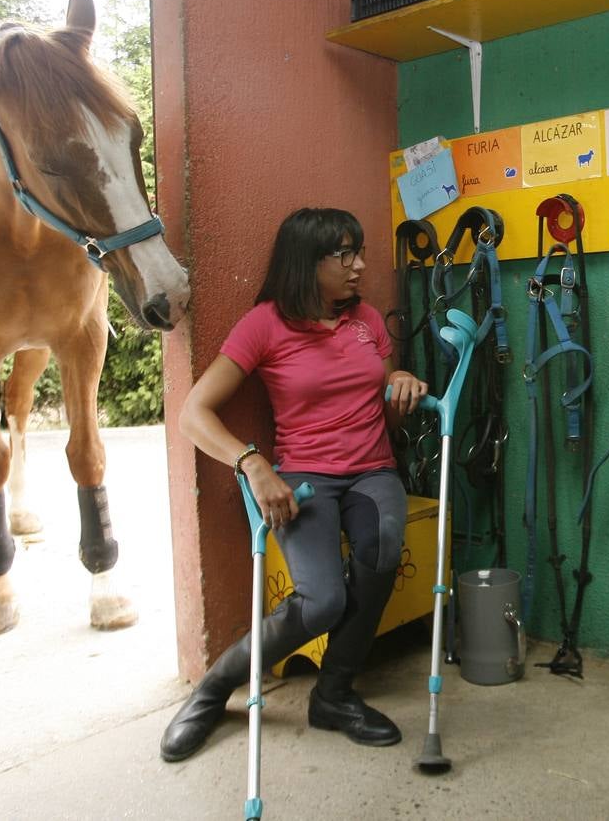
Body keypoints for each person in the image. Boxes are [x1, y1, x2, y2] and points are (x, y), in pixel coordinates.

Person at [160, 207, 429, 763]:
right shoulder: (264, 325)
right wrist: (253, 464)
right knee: (323, 601)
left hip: (373, 470)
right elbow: (193, 414)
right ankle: (215, 688)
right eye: (344, 255)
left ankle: (334, 694)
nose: (359, 266)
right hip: (306, 475)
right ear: (306, 262)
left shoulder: (366, 320)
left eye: (359, 252)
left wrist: (400, 381)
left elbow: (385, 399)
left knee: (382, 550)